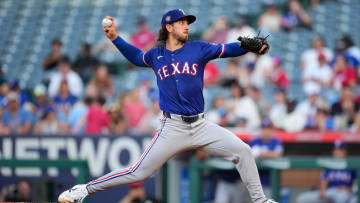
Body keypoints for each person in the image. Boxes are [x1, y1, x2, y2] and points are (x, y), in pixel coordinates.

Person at [58, 9, 275, 203]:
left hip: (200, 125)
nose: (186, 26)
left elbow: (228, 48)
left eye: (187, 23)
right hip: (172, 127)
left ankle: (260, 201)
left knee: (243, 151)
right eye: (181, 22)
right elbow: (136, 56)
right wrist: (115, 38)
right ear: (169, 27)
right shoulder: (156, 55)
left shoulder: (199, 48)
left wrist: (247, 46)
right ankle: (84, 189)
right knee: (138, 172)